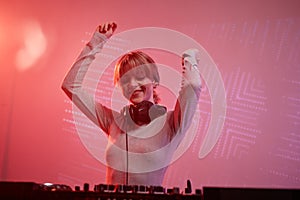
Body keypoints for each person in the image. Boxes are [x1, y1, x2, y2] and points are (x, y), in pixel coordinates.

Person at [62, 22, 201, 186]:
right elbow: (70, 86)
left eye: (140, 76)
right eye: (125, 80)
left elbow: (193, 86)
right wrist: (97, 41)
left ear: (154, 80)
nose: (133, 83)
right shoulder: (113, 121)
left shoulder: (172, 123)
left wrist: (189, 58)